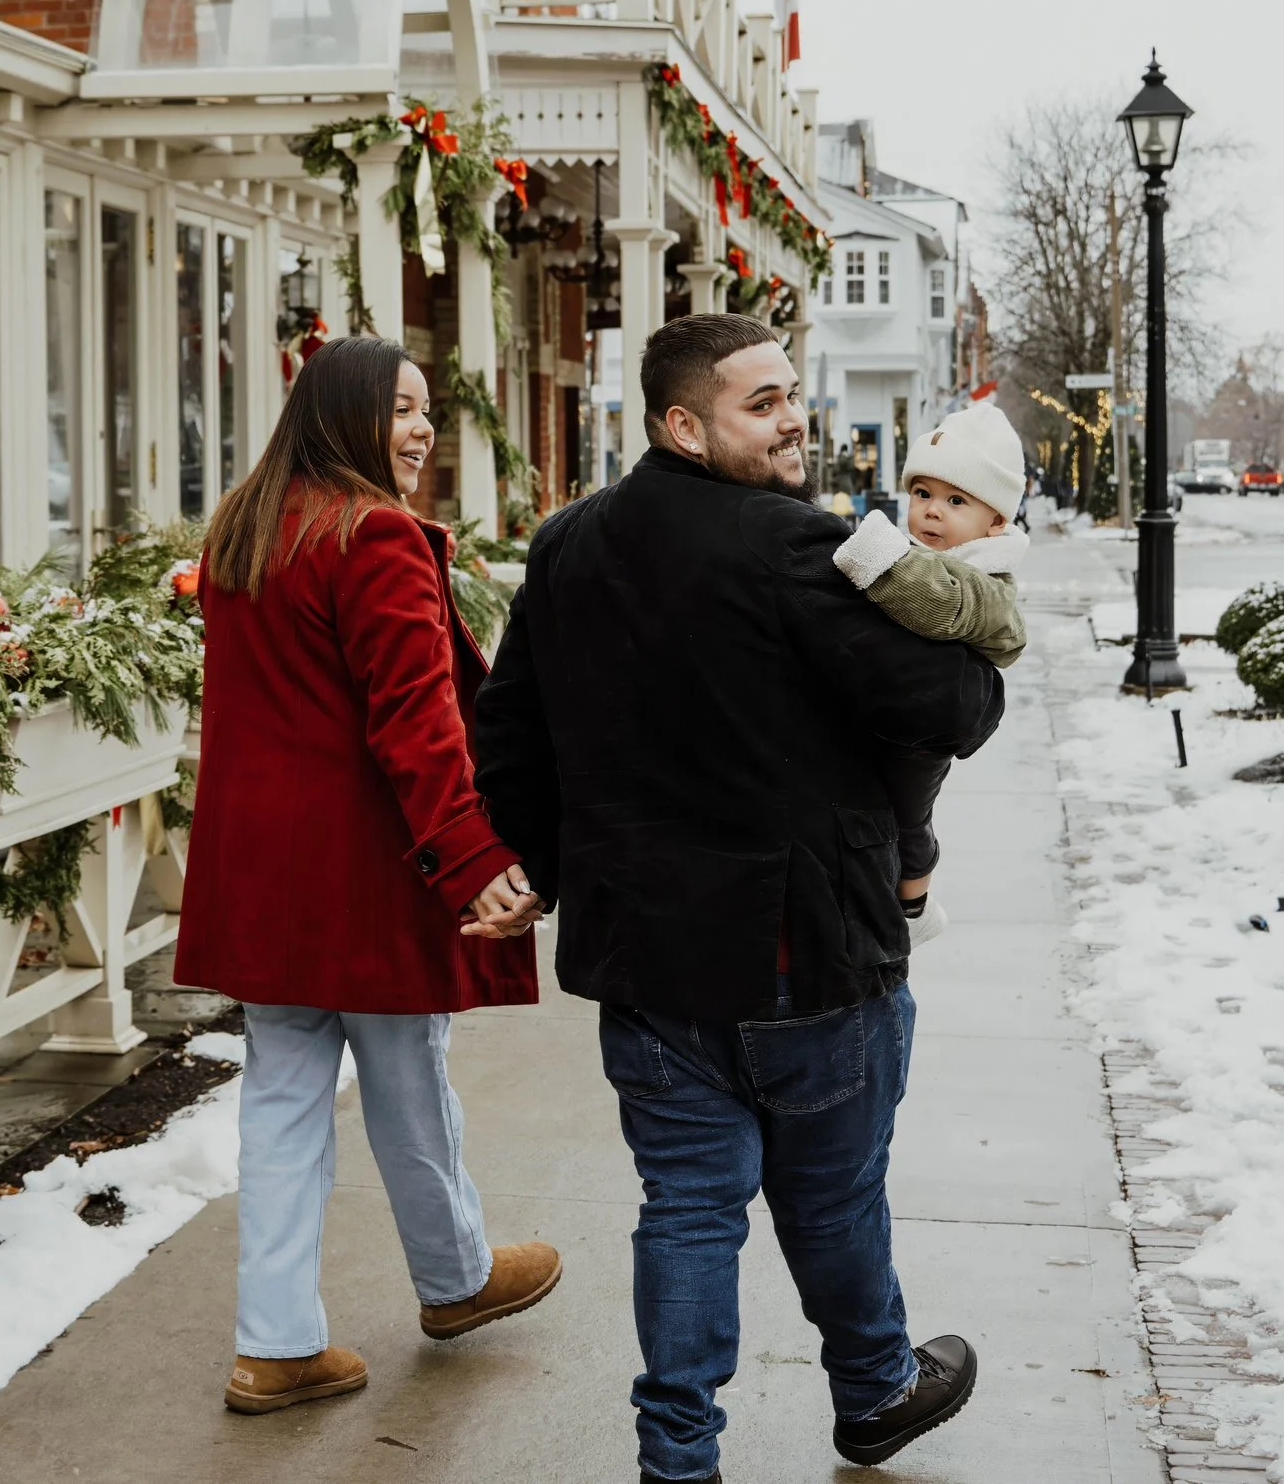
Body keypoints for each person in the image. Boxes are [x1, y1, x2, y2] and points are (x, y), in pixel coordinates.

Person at [475, 314, 1005, 1483]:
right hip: (802, 955)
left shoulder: (565, 546)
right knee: (831, 1197)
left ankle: (677, 1455)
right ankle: (872, 1392)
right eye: (760, 402)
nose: (791, 417)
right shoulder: (795, 548)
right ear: (681, 422)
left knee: (686, 1207)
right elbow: (954, 708)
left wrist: (534, 866)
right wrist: (973, 628)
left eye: (789, 395)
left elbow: (509, 736)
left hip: (647, 964)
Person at [178, 335, 562, 1417]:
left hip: (262, 872)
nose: (421, 426)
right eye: (399, 406)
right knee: (407, 1078)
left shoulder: (245, 531)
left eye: (427, 408)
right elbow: (416, 721)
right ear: (343, 412)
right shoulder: (374, 536)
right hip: (365, 865)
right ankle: (456, 1278)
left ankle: (276, 1340)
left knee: (284, 1095)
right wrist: (473, 857)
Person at [830, 401, 1030, 951]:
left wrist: (874, 553)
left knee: (908, 814)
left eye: (955, 500)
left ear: (995, 522)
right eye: (923, 495)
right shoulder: (917, 551)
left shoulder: (987, 575)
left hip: (922, 738)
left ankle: (914, 905)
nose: (932, 512)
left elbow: (939, 605)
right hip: (883, 716)